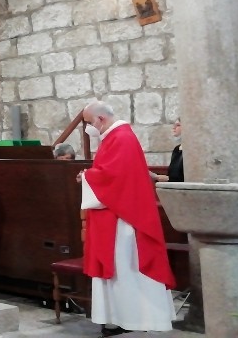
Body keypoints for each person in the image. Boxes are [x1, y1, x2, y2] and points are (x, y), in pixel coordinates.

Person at [78, 101, 175, 336]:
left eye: (91, 123)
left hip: (123, 220)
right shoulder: (115, 136)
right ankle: (117, 318)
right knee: (119, 270)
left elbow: (114, 178)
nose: (91, 128)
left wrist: (88, 177)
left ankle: (134, 318)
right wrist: (91, 176)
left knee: (125, 269)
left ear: (101, 119)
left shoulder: (121, 138)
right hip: (114, 217)